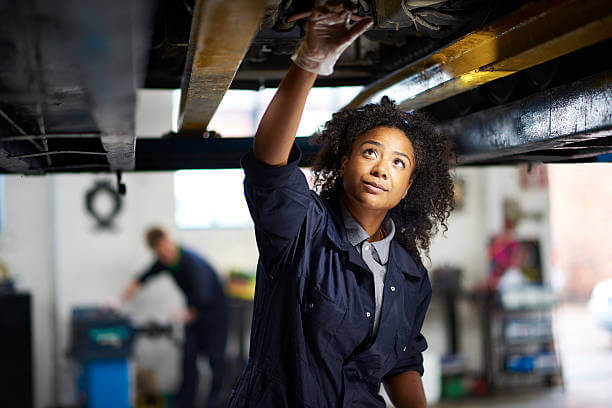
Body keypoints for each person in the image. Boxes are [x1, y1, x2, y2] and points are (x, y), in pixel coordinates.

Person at [229, 1, 455, 407]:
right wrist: (310, 60)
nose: (381, 168)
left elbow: (401, 363)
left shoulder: (409, 275)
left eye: (398, 163)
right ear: (345, 161)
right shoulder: (302, 228)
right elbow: (269, 163)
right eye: (370, 152)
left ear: (407, 188)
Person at [121, 227, 228, 408]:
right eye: (159, 251)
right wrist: (118, 303)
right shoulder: (165, 261)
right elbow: (140, 279)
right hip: (193, 315)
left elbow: (205, 296)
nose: (164, 253)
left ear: (169, 241)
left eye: (165, 247)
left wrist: (183, 315)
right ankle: (185, 403)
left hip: (213, 315)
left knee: (216, 361)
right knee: (188, 360)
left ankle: (215, 403)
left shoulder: (192, 262)